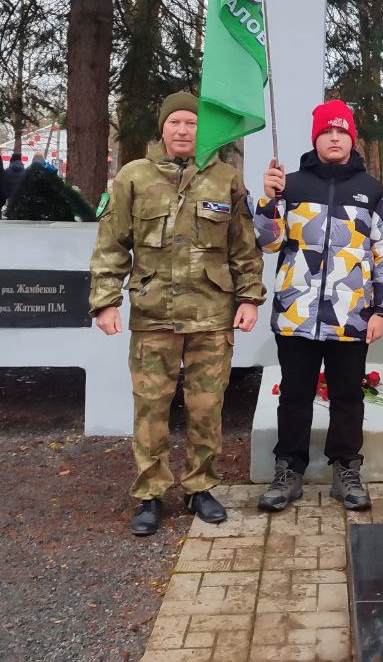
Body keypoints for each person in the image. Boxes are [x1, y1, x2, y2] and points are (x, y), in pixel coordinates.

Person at [89, 92, 266, 537]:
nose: (184, 130)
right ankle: (149, 494)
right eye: (176, 123)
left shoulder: (226, 178)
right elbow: (111, 244)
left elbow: (244, 247)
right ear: (163, 129)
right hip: (155, 313)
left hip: (212, 313)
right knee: (151, 406)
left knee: (207, 406)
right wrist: (106, 300)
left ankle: (199, 486)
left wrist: (249, 299)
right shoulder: (134, 177)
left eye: (191, 123)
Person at [253, 101, 383, 513]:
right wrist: (269, 202)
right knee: (295, 396)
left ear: (351, 138)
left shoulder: (373, 192)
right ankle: (289, 471)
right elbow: (266, 242)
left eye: (341, 132)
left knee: (348, 396)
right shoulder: (292, 185)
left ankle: (346, 469)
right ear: (315, 138)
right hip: (296, 314)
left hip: (351, 317)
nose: (334, 138)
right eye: (326, 132)